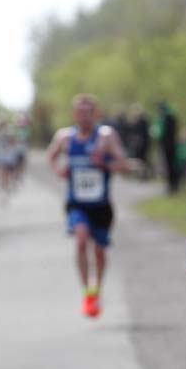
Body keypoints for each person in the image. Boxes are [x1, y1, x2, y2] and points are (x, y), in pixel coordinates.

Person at [47, 94, 129, 318]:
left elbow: (124, 164)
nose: (84, 116)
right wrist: (58, 170)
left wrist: (104, 162)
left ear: (95, 114)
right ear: (74, 114)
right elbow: (50, 156)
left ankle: (96, 289)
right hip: (77, 204)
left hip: (101, 206)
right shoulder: (65, 137)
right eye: (80, 112)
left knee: (100, 252)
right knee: (81, 239)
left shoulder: (105, 136)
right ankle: (87, 293)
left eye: (88, 112)